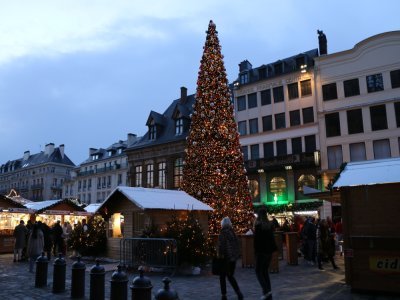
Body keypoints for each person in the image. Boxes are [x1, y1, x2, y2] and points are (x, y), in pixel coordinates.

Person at [218, 217, 243, 300]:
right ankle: (238, 292)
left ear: (223, 224)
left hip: (226, 259)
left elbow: (221, 247)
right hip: (233, 259)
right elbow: (236, 245)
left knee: (222, 277)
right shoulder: (233, 233)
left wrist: (219, 255)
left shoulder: (223, 233)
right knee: (230, 276)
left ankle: (224, 295)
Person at [254, 208, 277, 300]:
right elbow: (272, 239)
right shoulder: (269, 225)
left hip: (261, 252)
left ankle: (266, 291)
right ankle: (268, 292)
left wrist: (255, 251)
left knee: (258, 271)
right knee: (265, 272)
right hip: (269, 252)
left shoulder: (258, 226)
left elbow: (257, 241)